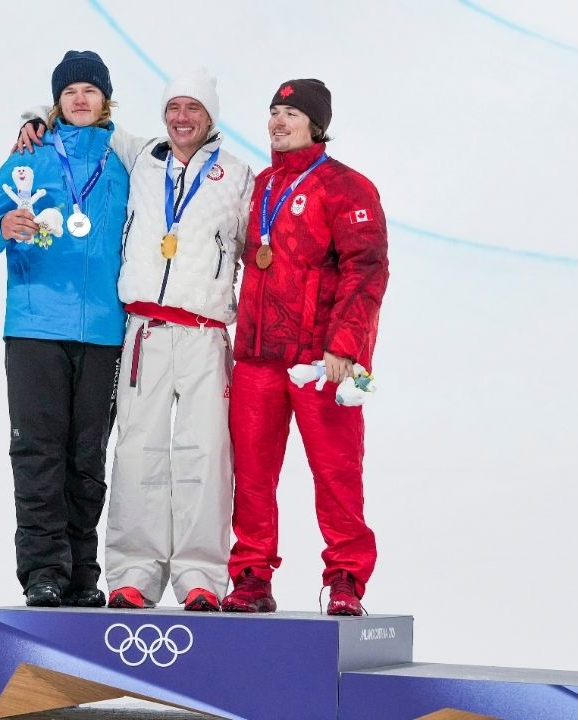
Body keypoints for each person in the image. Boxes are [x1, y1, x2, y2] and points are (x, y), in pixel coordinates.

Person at [19, 69, 253, 612]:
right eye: (174, 107)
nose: (181, 117)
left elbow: (256, 251)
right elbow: (83, 120)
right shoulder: (139, 154)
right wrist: (33, 120)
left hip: (204, 334)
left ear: (211, 116)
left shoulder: (238, 176)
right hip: (143, 332)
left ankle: (201, 576)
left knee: (204, 454)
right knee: (136, 452)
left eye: (193, 108)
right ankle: (134, 574)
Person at [0, 50, 129, 608]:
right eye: (68, 92)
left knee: (88, 455)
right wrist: (2, 226)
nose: (80, 99)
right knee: (37, 452)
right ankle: (42, 572)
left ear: (107, 99)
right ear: (56, 101)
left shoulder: (127, 159)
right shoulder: (26, 157)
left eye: (90, 90)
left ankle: (82, 572)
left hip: (105, 330)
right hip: (34, 327)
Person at [220, 79, 389, 617]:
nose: (278, 121)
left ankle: (345, 578)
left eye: (291, 113)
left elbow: (368, 270)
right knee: (250, 474)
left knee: (337, 474)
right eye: (273, 111)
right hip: (258, 358)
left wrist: (345, 346)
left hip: (321, 361)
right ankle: (250, 575)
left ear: (316, 124)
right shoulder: (262, 184)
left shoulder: (348, 187)